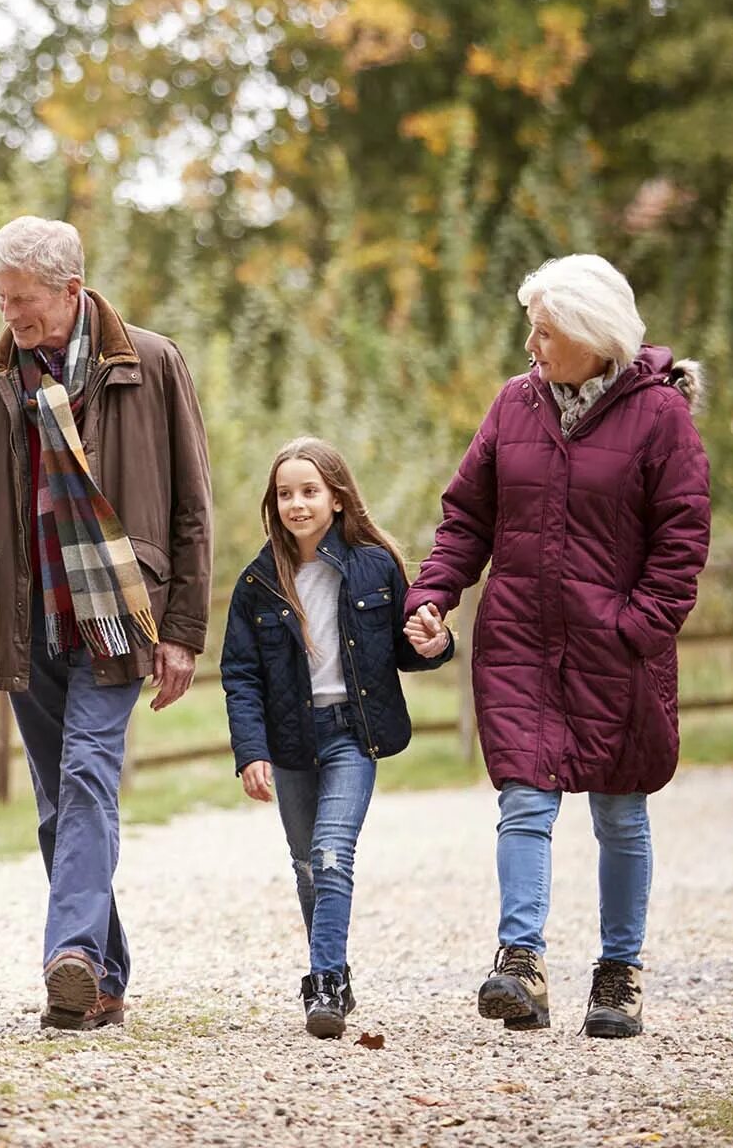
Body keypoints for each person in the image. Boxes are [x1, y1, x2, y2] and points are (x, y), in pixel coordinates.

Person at [0, 216, 213, 1030]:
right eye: (2, 299)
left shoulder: (149, 363)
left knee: (85, 775)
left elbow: (191, 507)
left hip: (119, 613)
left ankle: (69, 952)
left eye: (25, 300)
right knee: (56, 802)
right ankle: (102, 978)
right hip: (24, 616)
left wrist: (182, 627)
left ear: (72, 291)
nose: (10, 314)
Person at [403, 255, 710, 1038]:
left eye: (544, 331)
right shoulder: (514, 406)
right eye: (531, 329)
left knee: (620, 808)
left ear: (591, 335)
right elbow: (467, 517)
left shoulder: (661, 419)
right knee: (524, 802)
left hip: (616, 650)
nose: (531, 345)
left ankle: (618, 974)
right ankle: (520, 963)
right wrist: (435, 594)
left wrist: (634, 628)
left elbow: (682, 542)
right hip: (520, 642)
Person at [222, 437, 454, 1038]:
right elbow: (240, 676)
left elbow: (408, 648)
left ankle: (321, 980)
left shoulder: (376, 566)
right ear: (273, 504)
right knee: (306, 866)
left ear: (337, 498)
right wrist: (251, 751)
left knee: (330, 853)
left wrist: (437, 643)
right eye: (285, 494)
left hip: (355, 734)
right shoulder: (258, 584)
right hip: (293, 741)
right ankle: (339, 976)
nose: (296, 504)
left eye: (309, 491)